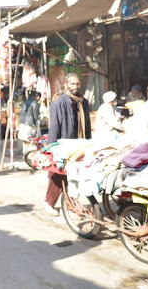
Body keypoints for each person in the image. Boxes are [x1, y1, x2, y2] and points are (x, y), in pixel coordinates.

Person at [43, 73, 91, 216]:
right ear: (66, 85)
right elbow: (54, 127)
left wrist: (89, 143)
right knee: (58, 176)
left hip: (79, 144)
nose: (76, 86)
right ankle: (49, 202)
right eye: (72, 84)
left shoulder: (83, 102)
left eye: (77, 84)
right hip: (63, 145)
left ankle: (70, 203)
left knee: (74, 176)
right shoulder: (59, 102)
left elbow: (87, 125)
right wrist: (52, 149)